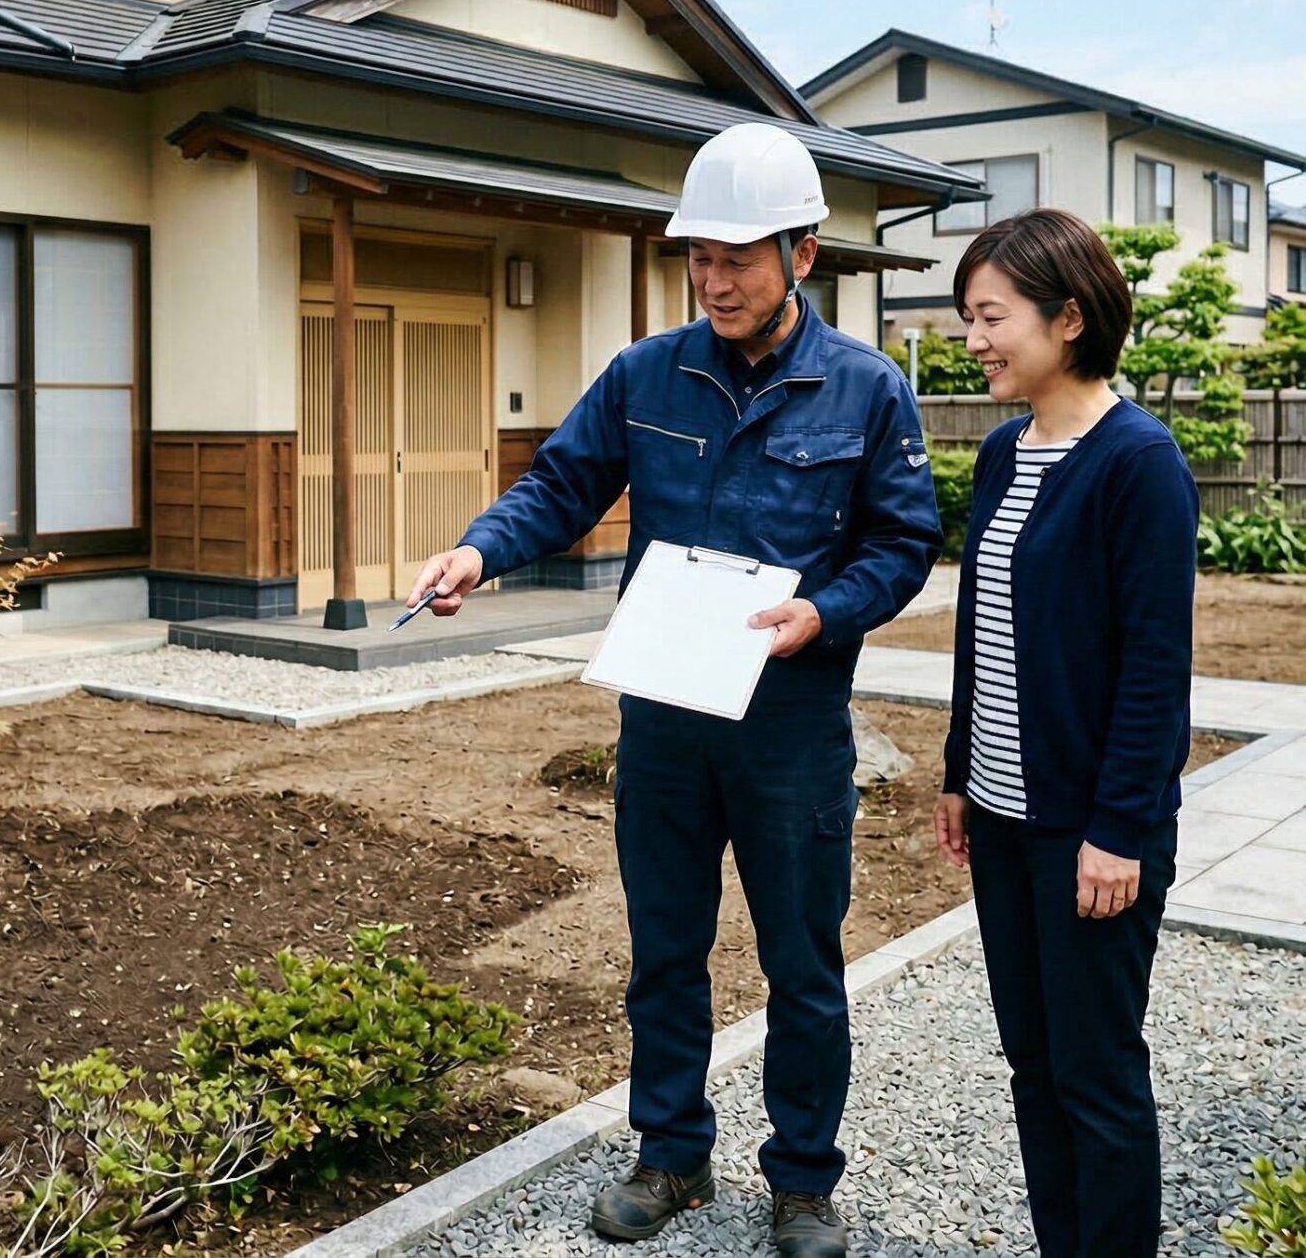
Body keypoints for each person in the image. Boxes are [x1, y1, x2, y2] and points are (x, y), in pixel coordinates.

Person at [406, 122, 941, 1258]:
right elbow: (558, 484)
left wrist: (823, 613)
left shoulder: (865, 389)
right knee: (663, 943)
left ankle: (801, 1180)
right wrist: (477, 552)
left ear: (801, 253)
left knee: (802, 958)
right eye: (699, 254)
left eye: (739, 256)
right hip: (661, 715)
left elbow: (902, 546)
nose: (714, 277)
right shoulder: (649, 372)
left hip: (791, 721)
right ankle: (670, 1154)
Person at [929, 207, 1195, 1256]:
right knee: (1032, 1064)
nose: (973, 339)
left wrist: (1119, 829)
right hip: (1000, 817)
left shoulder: (1138, 462)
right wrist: (958, 772)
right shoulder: (1002, 455)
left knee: (1095, 1074)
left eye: (990, 315)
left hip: (1089, 830)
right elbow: (983, 629)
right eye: (967, 317)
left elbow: (1152, 670)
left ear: (1069, 317)